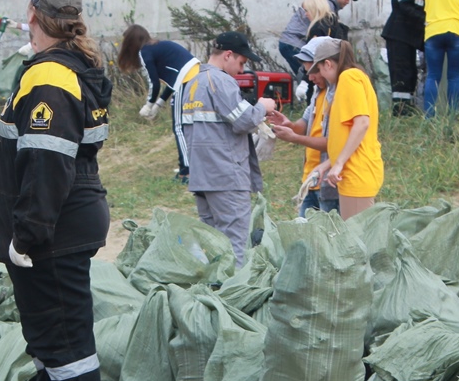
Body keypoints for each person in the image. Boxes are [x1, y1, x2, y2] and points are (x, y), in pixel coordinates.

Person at [0, 0, 111, 381]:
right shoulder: (67, 67)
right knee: (46, 343)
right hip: (63, 220)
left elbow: (47, 164)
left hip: (53, 228)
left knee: (66, 342)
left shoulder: (49, 77)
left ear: (34, 16)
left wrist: (27, 235)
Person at [180, 31, 276, 265]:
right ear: (228, 55)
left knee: (213, 246)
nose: (242, 70)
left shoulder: (193, 83)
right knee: (235, 245)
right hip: (226, 177)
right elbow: (244, 120)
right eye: (242, 62)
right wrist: (263, 106)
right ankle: (235, 295)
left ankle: (214, 293)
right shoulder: (221, 81)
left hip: (203, 177)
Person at [308, 39, 383, 220]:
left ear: (327, 64)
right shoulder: (352, 78)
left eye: (319, 70)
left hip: (356, 173)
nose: (320, 76)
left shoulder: (348, 78)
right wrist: (326, 165)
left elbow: (362, 123)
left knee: (356, 243)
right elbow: (347, 134)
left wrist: (339, 163)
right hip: (353, 173)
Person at [116, 24, 199, 183]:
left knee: (179, 127)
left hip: (186, 82)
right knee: (190, 126)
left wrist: (148, 105)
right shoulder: (159, 46)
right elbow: (173, 81)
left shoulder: (145, 52)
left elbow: (154, 83)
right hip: (196, 77)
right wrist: (159, 104)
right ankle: (190, 166)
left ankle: (187, 173)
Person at [267, 36, 339, 217]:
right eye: (307, 72)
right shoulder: (317, 92)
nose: (310, 77)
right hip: (310, 180)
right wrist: (289, 125)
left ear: (326, 65)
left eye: (314, 71)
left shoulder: (339, 95)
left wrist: (295, 138)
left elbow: (334, 144)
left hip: (329, 183)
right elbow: (305, 123)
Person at [381, 0, 442, 115]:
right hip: (398, 34)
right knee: (401, 71)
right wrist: (426, 19)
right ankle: (400, 110)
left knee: (410, 72)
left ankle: (406, 108)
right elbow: (405, 6)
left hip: (409, 37)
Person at [278, 0, 357, 80]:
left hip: (290, 42)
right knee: (310, 75)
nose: (348, 2)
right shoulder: (327, 9)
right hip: (294, 43)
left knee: (309, 77)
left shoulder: (324, 11)